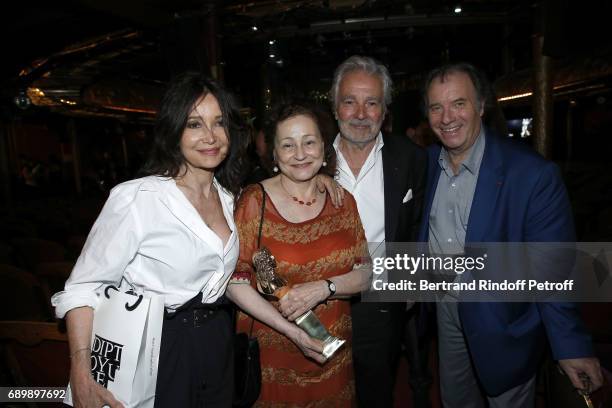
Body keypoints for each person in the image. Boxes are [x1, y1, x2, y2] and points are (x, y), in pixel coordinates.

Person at [51, 72, 324, 408]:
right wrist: (81, 369)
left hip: (215, 341)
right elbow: (82, 287)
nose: (210, 136)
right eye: (195, 124)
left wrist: (294, 330)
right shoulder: (138, 197)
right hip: (157, 346)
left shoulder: (228, 198)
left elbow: (225, 283)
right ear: (174, 130)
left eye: (219, 122)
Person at [418, 62, 603, 407]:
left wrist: (571, 345)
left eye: (459, 103)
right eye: (436, 107)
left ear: (482, 106)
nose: (447, 117)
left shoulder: (531, 175)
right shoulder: (425, 164)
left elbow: (554, 267)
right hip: (444, 311)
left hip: (502, 316)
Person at [229, 102, 370, 406]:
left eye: (309, 142)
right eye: (288, 145)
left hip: (334, 357)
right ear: (275, 155)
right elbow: (234, 282)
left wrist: (325, 288)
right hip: (274, 359)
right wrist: (295, 334)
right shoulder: (254, 203)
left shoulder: (343, 201)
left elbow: (365, 272)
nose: (301, 153)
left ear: (323, 146)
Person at [329, 55, 429, 407]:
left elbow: (417, 224)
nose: (360, 113)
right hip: (319, 305)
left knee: (376, 393)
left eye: (371, 103)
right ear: (334, 106)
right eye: (350, 101)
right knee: (324, 391)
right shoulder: (309, 158)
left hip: (381, 303)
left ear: (384, 111)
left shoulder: (411, 158)